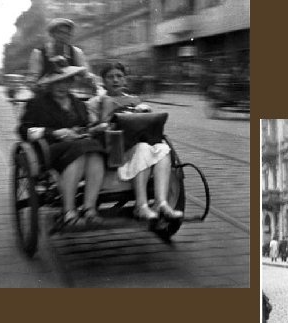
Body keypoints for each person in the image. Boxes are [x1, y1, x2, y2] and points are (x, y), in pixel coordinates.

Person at [86, 62, 182, 221]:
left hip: (136, 147)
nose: (115, 80)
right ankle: (141, 206)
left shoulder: (135, 101)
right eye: (110, 77)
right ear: (103, 81)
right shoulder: (94, 103)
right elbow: (90, 129)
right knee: (144, 148)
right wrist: (104, 123)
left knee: (163, 149)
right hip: (112, 152)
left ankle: (161, 202)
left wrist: (144, 112)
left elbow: (148, 126)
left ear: (125, 80)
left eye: (119, 76)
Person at [18, 61, 106, 229]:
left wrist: (96, 128)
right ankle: (68, 212)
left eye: (66, 81)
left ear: (71, 82)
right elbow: (23, 129)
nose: (62, 85)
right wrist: (54, 133)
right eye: (57, 81)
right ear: (50, 84)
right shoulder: (37, 103)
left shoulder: (78, 104)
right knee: (82, 150)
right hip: (49, 150)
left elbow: (86, 126)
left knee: (95, 152)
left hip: (80, 146)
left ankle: (89, 209)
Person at [27, 18, 89, 90]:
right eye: (60, 32)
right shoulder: (39, 53)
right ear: (52, 34)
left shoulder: (76, 52)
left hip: (69, 92)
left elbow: (85, 75)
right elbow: (32, 79)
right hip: (45, 93)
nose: (64, 36)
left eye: (68, 33)